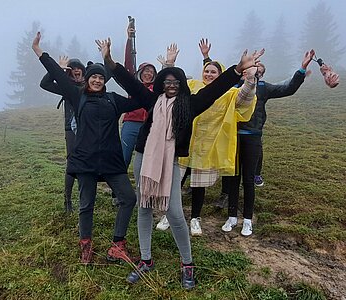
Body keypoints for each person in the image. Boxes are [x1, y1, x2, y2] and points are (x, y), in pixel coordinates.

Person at [97, 37, 262, 289]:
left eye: (176, 82)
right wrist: (109, 61)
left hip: (171, 161)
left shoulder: (191, 103)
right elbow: (128, 81)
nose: (171, 85)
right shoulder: (152, 100)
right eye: (167, 82)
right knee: (144, 207)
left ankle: (187, 263)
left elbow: (215, 89)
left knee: (174, 212)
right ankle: (145, 259)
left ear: (182, 85)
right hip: (144, 158)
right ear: (162, 85)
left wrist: (238, 70)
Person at [32, 32, 152, 265]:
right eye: (93, 77)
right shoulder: (77, 96)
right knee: (86, 203)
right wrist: (39, 51)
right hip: (85, 159)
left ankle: (118, 245)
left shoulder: (114, 100)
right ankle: (85, 243)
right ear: (87, 79)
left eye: (101, 77)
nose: (97, 80)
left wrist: (118, 67)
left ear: (105, 81)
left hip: (111, 160)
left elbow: (140, 98)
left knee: (128, 198)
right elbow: (57, 75)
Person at [157, 39, 259, 236]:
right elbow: (169, 86)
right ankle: (169, 215)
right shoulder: (192, 85)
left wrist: (251, 79)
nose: (209, 74)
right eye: (207, 71)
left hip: (208, 147)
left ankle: (195, 218)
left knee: (198, 185)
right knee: (175, 181)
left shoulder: (229, 93)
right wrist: (169, 65)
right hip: (183, 143)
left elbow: (245, 98)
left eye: (214, 72)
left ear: (220, 75)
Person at [221, 49, 316, 237]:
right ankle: (231, 217)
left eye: (257, 69)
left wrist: (302, 69)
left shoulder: (263, 88)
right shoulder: (233, 86)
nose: (254, 71)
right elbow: (215, 84)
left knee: (248, 179)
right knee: (233, 178)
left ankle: (247, 220)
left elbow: (288, 89)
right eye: (251, 68)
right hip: (233, 136)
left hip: (253, 136)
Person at [40, 56, 85, 213]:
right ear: (68, 73)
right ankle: (67, 199)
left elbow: (106, 74)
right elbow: (44, 84)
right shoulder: (65, 87)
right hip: (71, 128)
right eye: (72, 68)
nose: (76, 70)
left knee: (86, 161)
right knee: (72, 162)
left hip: (88, 128)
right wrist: (57, 70)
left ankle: (84, 197)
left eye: (78, 67)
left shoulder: (91, 84)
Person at [121, 23, 157, 170]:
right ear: (140, 73)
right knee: (124, 156)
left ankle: (144, 189)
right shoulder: (133, 86)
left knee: (146, 160)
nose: (148, 73)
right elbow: (129, 63)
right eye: (145, 71)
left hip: (149, 125)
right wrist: (129, 39)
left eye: (151, 72)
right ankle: (117, 189)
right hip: (130, 123)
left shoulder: (156, 89)